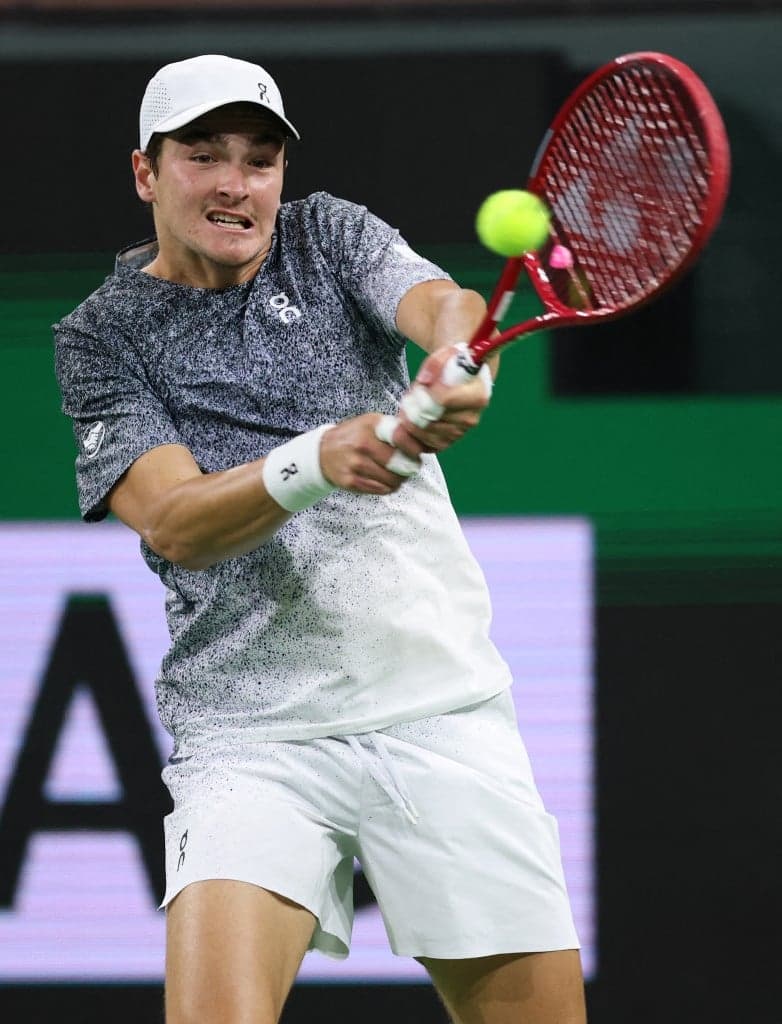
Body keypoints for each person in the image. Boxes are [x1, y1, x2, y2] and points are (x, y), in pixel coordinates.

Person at [53, 54, 586, 1024]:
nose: (234, 182)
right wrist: (315, 459)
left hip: (438, 708)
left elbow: (439, 305)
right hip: (254, 738)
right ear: (146, 172)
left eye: (258, 160)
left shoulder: (330, 236)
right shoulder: (102, 336)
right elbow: (174, 522)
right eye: (203, 155)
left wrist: (454, 356)